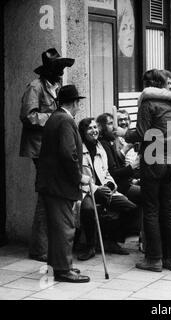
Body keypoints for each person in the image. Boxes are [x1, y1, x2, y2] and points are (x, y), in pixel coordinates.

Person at [117, 69, 171, 272]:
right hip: (170, 160)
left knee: (152, 210)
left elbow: (141, 133)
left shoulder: (148, 103)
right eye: (169, 83)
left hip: (153, 162)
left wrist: (122, 134)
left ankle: (154, 259)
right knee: (169, 209)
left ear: (151, 84)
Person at [19, 48, 75, 262]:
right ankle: (40, 248)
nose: (61, 71)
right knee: (46, 193)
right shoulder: (35, 87)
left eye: (62, 67)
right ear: (48, 70)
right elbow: (28, 116)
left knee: (47, 194)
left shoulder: (57, 85)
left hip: (52, 147)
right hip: (40, 148)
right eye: (58, 67)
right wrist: (54, 117)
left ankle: (43, 246)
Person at [36, 85, 90, 283]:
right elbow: (69, 154)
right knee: (65, 228)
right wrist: (79, 177)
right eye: (78, 103)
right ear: (75, 102)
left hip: (53, 183)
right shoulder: (65, 120)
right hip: (59, 184)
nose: (78, 107)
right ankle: (63, 269)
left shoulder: (56, 118)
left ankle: (58, 265)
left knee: (58, 227)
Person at [77, 118, 138, 261]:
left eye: (95, 127)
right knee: (88, 210)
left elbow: (107, 173)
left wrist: (110, 185)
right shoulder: (79, 150)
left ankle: (111, 240)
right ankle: (90, 246)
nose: (94, 131)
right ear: (83, 132)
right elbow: (76, 175)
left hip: (104, 189)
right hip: (86, 191)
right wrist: (96, 189)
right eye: (89, 128)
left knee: (131, 208)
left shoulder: (100, 148)